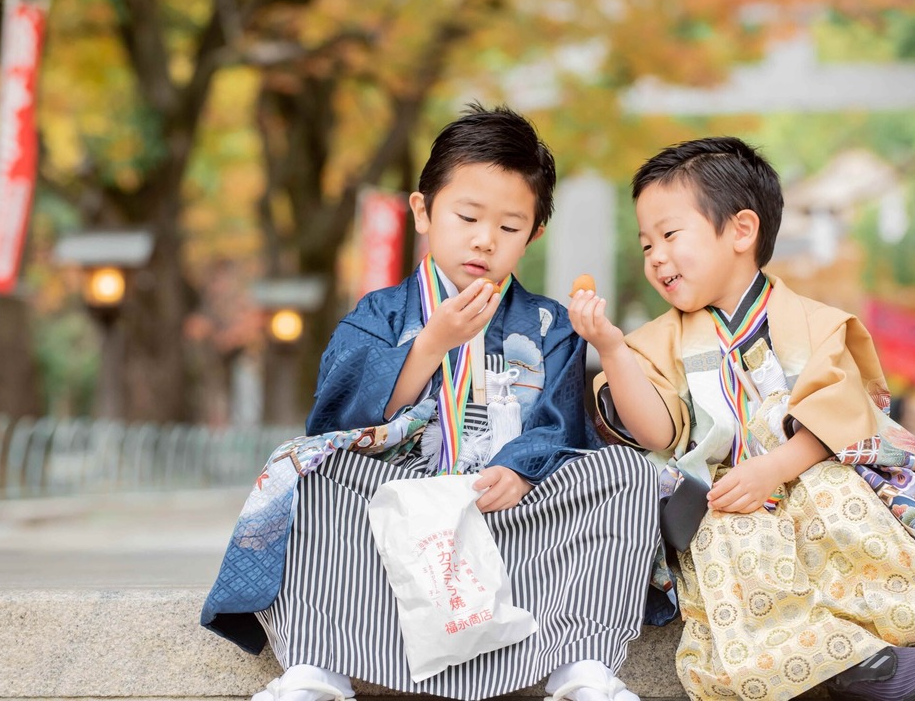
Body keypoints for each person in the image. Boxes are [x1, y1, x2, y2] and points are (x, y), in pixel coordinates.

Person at [202, 104, 658, 701]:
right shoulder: (379, 314)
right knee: (307, 469)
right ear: (423, 211)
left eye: (509, 227)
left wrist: (520, 471)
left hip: (508, 514)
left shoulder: (551, 324)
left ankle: (581, 664)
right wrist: (429, 346)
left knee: (626, 472)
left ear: (534, 236)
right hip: (398, 511)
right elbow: (337, 419)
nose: (484, 239)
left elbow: (561, 424)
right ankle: (318, 665)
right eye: (467, 216)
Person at [569, 137, 915, 701]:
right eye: (646, 244)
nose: (655, 257)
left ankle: (914, 611)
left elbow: (842, 413)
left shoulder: (817, 322)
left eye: (670, 235)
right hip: (725, 495)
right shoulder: (653, 342)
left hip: (810, 470)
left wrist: (776, 468)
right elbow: (658, 433)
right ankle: (852, 664)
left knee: (838, 500)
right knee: (731, 538)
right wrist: (612, 349)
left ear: (741, 231)